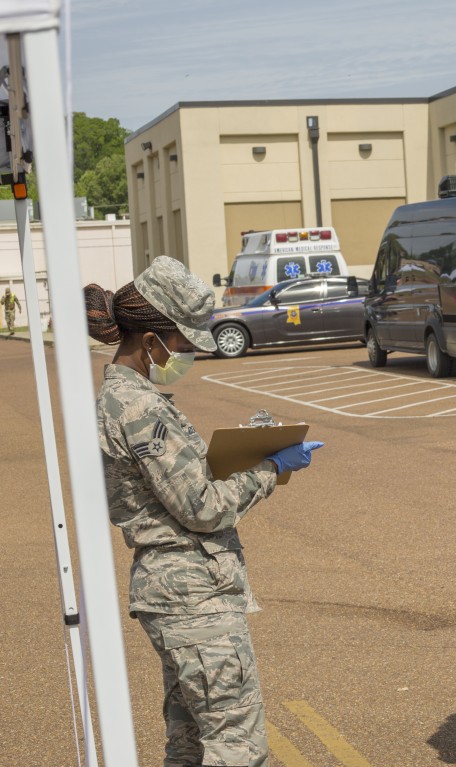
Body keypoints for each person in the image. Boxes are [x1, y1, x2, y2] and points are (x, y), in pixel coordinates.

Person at [85, 256, 324, 767]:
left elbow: (184, 483)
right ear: (151, 341)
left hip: (175, 593)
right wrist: (270, 470)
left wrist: (253, 449)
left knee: (192, 740)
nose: (189, 353)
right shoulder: (140, 408)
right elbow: (202, 507)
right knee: (236, 744)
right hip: (192, 596)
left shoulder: (126, 398)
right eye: (184, 342)